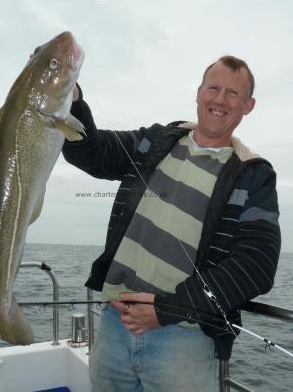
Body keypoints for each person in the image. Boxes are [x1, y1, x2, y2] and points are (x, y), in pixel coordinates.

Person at [63, 56, 281, 391]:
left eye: (233, 94)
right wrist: (71, 99)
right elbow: (92, 152)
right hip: (113, 324)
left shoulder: (253, 176)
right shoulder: (155, 142)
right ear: (198, 93)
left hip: (185, 341)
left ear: (248, 105)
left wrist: (168, 310)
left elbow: (256, 265)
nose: (220, 99)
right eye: (213, 88)